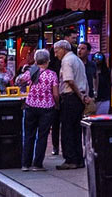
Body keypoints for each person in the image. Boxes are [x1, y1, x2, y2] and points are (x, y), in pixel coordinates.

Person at [16, 49, 59, 172]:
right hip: (47, 108)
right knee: (42, 136)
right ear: (48, 60)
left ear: (35, 60)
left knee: (29, 135)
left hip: (31, 106)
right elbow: (55, 94)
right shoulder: (52, 74)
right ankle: (37, 164)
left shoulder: (31, 72)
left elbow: (19, 81)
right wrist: (57, 105)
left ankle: (25, 163)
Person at [53, 39, 90, 170]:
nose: (56, 55)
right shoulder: (77, 60)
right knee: (76, 129)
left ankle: (71, 159)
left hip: (70, 97)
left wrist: (80, 96)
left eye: (57, 51)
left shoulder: (67, 61)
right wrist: (84, 96)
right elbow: (84, 80)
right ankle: (79, 159)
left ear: (63, 49)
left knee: (68, 130)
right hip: (78, 98)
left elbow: (70, 80)